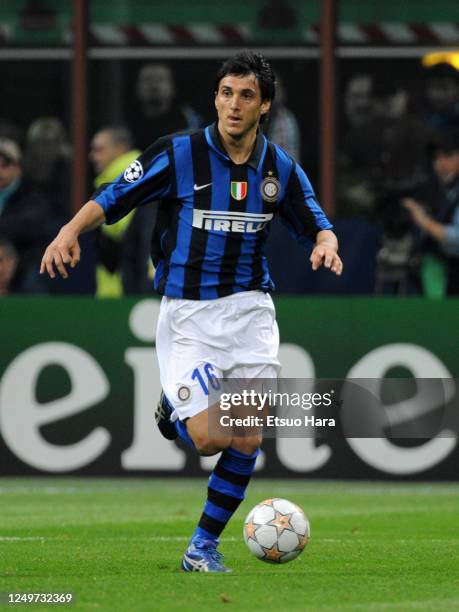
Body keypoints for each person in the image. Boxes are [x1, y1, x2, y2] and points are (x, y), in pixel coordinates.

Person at [40, 51, 342, 572]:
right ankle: (172, 410)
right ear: (216, 98)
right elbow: (114, 196)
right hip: (189, 315)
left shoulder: (279, 168)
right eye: (226, 93)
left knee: (248, 436)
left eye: (246, 95)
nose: (233, 105)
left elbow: (315, 217)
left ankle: (201, 547)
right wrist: (69, 231)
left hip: (251, 313)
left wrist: (326, 241)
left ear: (264, 105)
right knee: (207, 439)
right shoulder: (178, 153)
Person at [89, 125, 153, 297]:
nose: (92, 156)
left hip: (134, 294)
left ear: (121, 149)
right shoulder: (111, 183)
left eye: (99, 149)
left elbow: (135, 243)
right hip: (118, 291)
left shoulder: (136, 182)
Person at [402, 130, 459, 295]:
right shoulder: (440, 190)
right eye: (436, 157)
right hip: (443, 274)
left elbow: (456, 239)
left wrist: (423, 221)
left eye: (447, 155)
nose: (440, 163)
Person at [0, 137, 50, 292]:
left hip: (23, 265)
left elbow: (31, 226)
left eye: (5, 164)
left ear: (18, 168)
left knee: (33, 281)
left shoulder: (31, 195)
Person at [130, 63, 201, 151]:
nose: (153, 86)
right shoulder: (126, 123)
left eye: (160, 80)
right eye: (147, 80)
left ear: (173, 87)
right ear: (137, 87)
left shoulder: (188, 122)